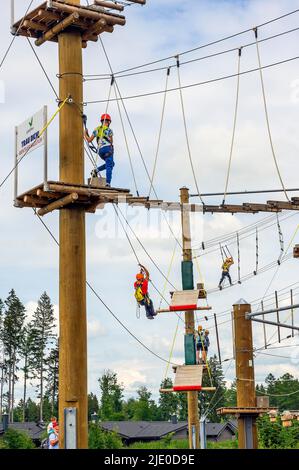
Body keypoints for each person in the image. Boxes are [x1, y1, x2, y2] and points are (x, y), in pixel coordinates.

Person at [84, 113, 115, 187]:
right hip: (108, 149)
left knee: (111, 164)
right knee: (109, 166)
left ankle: (96, 170)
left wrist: (85, 134)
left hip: (100, 151)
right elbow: (111, 141)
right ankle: (108, 183)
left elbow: (89, 140)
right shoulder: (109, 130)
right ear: (109, 122)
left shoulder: (97, 129)